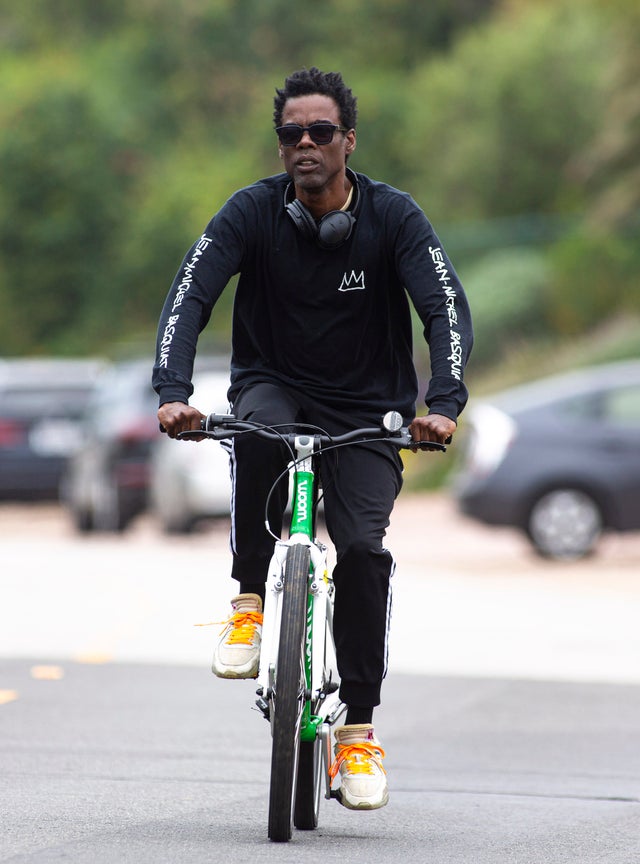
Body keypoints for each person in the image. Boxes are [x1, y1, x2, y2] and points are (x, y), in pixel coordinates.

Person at [153, 67, 472, 811]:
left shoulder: (395, 219)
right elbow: (189, 296)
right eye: (291, 133)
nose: (304, 144)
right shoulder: (250, 213)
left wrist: (444, 406)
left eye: (320, 132)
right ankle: (249, 600)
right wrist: (173, 394)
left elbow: (444, 309)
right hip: (277, 385)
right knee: (256, 431)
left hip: (369, 410)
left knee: (363, 551)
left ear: (348, 142)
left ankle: (358, 729)